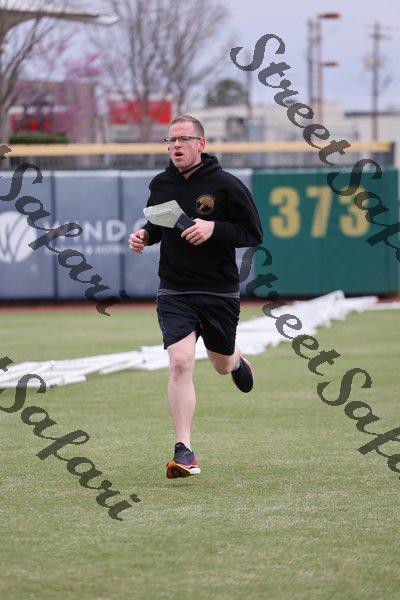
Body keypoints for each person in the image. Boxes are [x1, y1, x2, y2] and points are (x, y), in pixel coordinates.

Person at [129, 115, 263, 479]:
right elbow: (160, 224)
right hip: (174, 287)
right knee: (180, 362)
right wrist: (144, 236)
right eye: (170, 140)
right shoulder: (161, 184)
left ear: (200, 144)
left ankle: (236, 360)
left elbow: (253, 233)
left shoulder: (226, 185)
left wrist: (213, 228)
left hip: (218, 289)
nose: (176, 145)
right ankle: (184, 450)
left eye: (184, 139)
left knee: (220, 364)